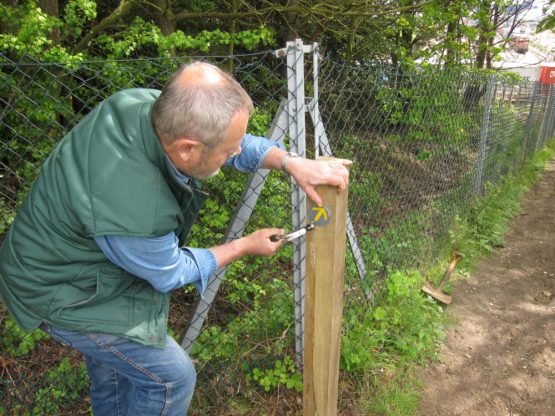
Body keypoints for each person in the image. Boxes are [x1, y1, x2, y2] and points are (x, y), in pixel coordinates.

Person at [0, 61, 350, 415]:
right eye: (228, 151)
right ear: (187, 150)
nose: (235, 153)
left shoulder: (148, 108)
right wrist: (244, 245)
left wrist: (292, 163)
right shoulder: (134, 203)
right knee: (172, 377)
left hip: (78, 259)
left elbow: (233, 144)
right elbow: (169, 272)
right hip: (55, 286)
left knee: (115, 372)